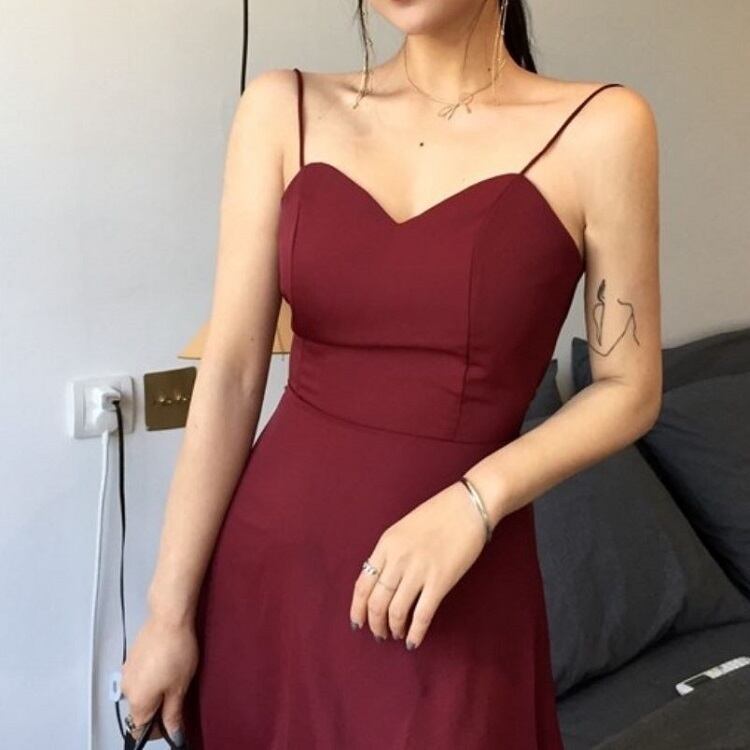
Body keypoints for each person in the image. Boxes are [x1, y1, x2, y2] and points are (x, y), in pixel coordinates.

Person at [121, 0, 661, 747]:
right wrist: (167, 613)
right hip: (269, 578)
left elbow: (630, 387)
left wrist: (476, 501)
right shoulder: (281, 110)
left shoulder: (602, 128)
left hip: (450, 592)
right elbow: (234, 374)